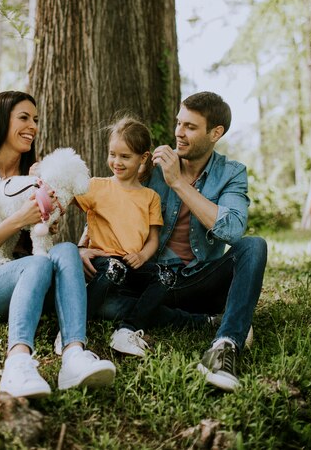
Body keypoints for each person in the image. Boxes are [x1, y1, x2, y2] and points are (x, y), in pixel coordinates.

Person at [79, 92, 267, 392]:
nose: (179, 132)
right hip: (150, 279)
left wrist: (177, 182)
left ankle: (225, 344)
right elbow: (108, 200)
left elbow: (232, 230)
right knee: (105, 299)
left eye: (190, 126)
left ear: (215, 133)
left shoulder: (232, 174)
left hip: (197, 279)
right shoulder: (151, 164)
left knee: (255, 246)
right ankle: (201, 321)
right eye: (179, 123)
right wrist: (81, 246)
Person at [0, 90, 115, 398]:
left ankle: (74, 355)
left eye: (35, 120)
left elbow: (41, 241)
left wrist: (47, 223)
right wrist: (20, 217)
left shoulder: (36, 173)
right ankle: (17, 363)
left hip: (29, 271)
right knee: (38, 262)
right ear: (0, 120)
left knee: (63, 251)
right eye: (23, 118)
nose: (32, 126)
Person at [74, 116, 209, 357]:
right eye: (112, 154)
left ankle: (128, 330)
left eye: (125, 156)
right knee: (114, 268)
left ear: (143, 158)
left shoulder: (150, 197)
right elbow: (63, 196)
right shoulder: (95, 186)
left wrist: (142, 255)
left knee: (166, 275)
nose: (116, 162)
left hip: (132, 265)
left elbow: (153, 239)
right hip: (104, 262)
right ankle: (74, 329)